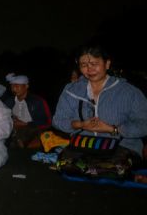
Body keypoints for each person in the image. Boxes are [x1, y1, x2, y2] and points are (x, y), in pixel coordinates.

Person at [53, 47, 147, 176]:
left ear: (107, 64)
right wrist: (81, 125)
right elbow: (58, 120)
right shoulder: (71, 90)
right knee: (64, 165)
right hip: (85, 144)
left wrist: (112, 129)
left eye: (94, 64)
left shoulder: (130, 92)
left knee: (116, 167)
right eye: (84, 65)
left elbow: (144, 124)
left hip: (123, 146)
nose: (89, 69)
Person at [1, 75, 52, 148]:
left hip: (33, 130)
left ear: (26, 86)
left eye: (17, 86)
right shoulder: (9, 101)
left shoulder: (37, 101)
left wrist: (25, 124)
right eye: (12, 86)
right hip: (14, 130)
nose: (14, 89)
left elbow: (48, 122)